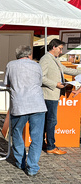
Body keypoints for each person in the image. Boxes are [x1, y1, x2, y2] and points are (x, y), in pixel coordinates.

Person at [4, 45, 47, 177]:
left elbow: (7, 83)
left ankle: (20, 162)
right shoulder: (36, 65)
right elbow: (39, 82)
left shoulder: (10, 65)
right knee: (37, 137)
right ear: (29, 55)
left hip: (20, 105)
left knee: (17, 133)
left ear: (17, 55)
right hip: (37, 104)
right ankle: (32, 167)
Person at [39, 38, 81, 155]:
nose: (61, 51)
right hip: (49, 94)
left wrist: (79, 72)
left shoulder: (55, 59)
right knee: (51, 121)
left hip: (53, 94)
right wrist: (55, 84)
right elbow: (40, 77)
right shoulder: (46, 59)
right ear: (54, 47)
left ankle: (44, 143)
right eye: (60, 49)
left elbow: (66, 70)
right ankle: (51, 146)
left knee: (48, 121)